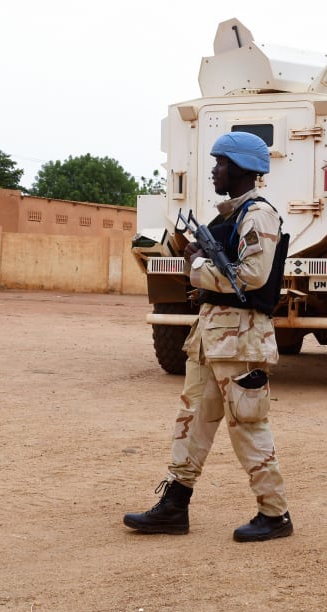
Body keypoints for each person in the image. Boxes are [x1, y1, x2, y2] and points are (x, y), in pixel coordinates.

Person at [124, 131, 293, 542]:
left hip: (241, 338)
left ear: (239, 169)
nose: (214, 170)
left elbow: (252, 277)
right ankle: (174, 506)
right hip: (212, 335)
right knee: (192, 419)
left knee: (248, 423)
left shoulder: (259, 216)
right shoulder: (229, 216)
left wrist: (197, 265)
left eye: (220, 164)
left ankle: (275, 514)